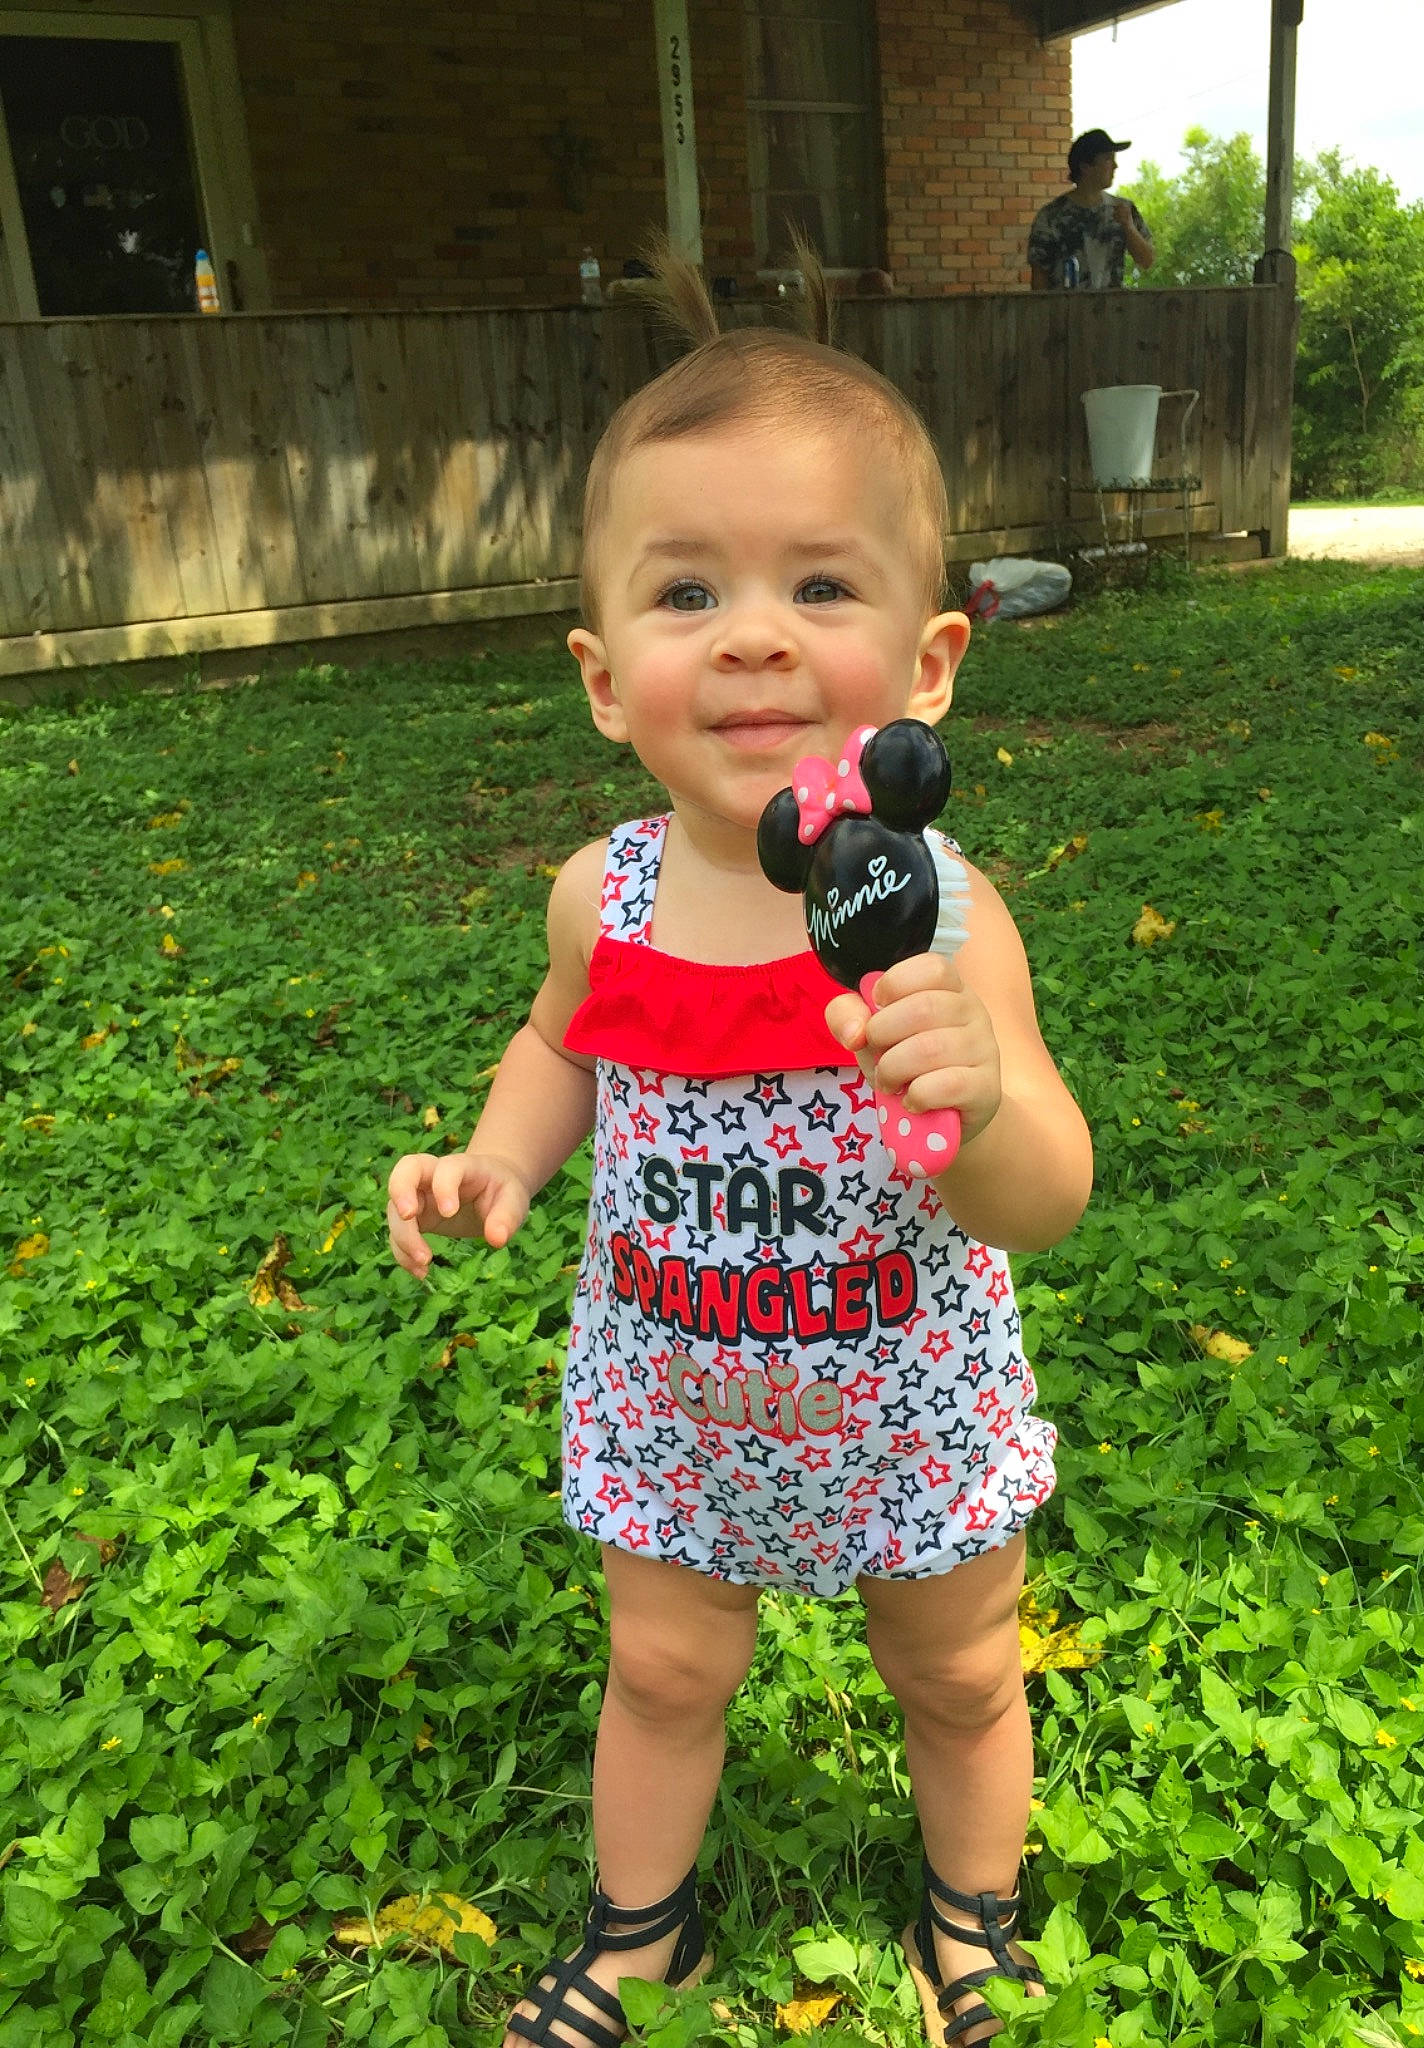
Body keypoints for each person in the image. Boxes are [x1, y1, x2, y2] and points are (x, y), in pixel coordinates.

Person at [386, 242, 1094, 2048]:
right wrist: (501, 1159)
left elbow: (1049, 1197)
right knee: (665, 1663)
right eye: (687, 588)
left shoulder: (941, 906)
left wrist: (982, 1102)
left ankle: (973, 1917)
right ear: (605, 674)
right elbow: (561, 1045)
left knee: (953, 1666)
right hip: (674, 1399)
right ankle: (642, 1934)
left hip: (902, 1402)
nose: (756, 633)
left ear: (930, 663)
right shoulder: (599, 895)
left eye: (821, 584)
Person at [1027, 128, 1156, 290]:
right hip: (1067, 312)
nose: (1115, 166)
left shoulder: (1124, 210)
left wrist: (1128, 227)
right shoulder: (1051, 217)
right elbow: (1039, 276)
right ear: (1086, 167)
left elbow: (1147, 260)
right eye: (1108, 159)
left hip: (1112, 311)